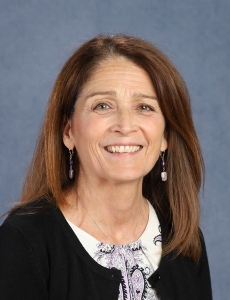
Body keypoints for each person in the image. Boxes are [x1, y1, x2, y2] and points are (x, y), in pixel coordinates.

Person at [0, 34, 212, 300]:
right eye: (103, 105)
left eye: (144, 107)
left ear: (165, 136)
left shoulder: (184, 241)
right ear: (68, 131)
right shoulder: (24, 241)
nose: (124, 125)